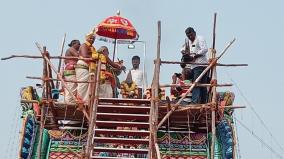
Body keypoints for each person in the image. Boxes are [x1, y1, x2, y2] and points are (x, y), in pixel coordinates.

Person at [181, 27, 208, 104]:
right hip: (194, 66)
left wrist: (195, 56)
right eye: (188, 35)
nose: (190, 37)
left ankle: (194, 102)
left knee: (196, 84)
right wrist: (184, 52)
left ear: (194, 33)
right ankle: (203, 102)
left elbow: (205, 49)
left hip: (200, 64)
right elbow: (182, 48)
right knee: (202, 85)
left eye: (191, 35)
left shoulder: (200, 38)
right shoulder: (188, 42)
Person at [75, 33, 96, 103]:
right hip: (82, 66)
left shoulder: (92, 47)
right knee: (82, 84)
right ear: (86, 38)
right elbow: (84, 56)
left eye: (93, 39)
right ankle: (80, 101)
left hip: (87, 67)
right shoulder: (84, 45)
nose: (92, 40)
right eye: (90, 38)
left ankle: (86, 101)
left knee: (87, 84)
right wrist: (95, 58)